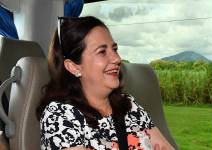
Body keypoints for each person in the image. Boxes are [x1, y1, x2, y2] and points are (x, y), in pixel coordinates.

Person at [36, 16, 175, 150]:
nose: (117, 58)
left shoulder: (129, 106)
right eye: (102, 51)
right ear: (73, 67)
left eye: (114, 49)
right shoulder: (60, 115)